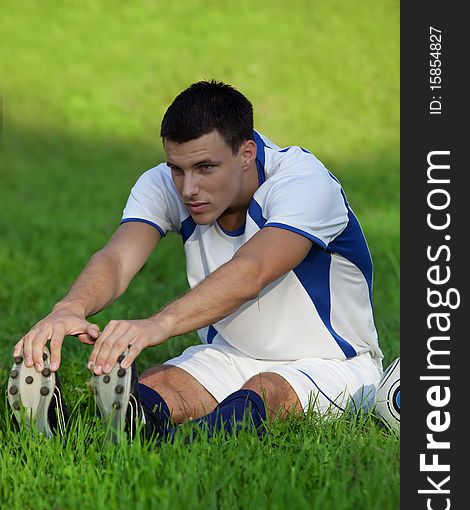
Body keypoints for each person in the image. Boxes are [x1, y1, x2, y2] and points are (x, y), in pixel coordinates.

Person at [8, 80, 383, 442]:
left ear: (246, 154)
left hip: (335, 363)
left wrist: (158, 325)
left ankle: (159, 449)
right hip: (230, 355)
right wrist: (69, 308)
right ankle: (71, 434)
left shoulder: (305, 182)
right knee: (156, 387)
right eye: (177, 168)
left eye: (206, 167)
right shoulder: (165, 183)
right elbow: (117, 258)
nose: (188, 188)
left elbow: (252, 271)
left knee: (265, 393)